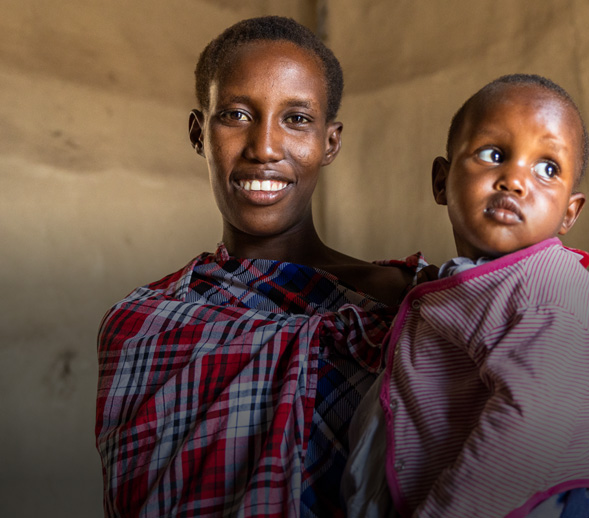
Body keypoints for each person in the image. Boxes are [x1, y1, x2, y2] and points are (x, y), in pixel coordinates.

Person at [95, 16, 429, 518]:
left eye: (296, 118)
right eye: (235, 114)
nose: (265, 147)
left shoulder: (411, 308)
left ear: (330, 142)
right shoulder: (143, 327)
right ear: (198, 133)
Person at [342, 74, 589, 517]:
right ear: (441, 181)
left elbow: (527, 426)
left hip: (547, 502)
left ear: (569, 213)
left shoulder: (553, 289)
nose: (515, 180)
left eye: (547, 168)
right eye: (493, 154)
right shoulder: (464, 283)